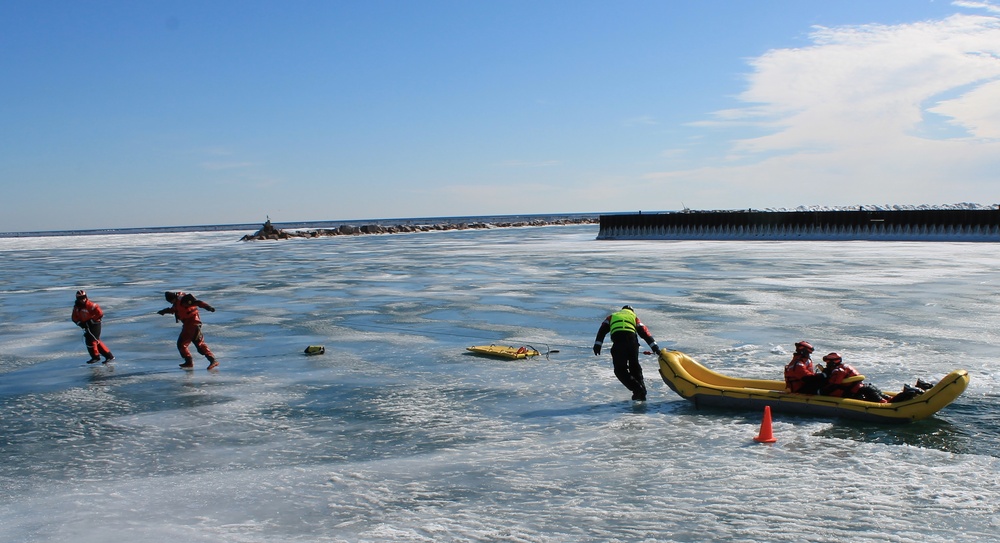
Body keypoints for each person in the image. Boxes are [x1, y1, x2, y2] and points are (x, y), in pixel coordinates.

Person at [593, 305, 661, 401]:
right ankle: (642, 392)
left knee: (620, 370)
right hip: (632, 342)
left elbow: (602, 330)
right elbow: (644, 332)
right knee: (635, 366)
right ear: (632, 311)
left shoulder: (613, 316)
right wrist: (655, 348)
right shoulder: (633, 317)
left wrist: (598, 344)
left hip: (619, 342)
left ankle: (637, 389)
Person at [158, 291, 218, 370]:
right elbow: (174, 309)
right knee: (190, 344)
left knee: (190, 344)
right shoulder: (177, 302)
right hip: (189, 325)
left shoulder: (184, 300)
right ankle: (192, 361)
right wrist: (164, 311)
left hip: (193, 324)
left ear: (173, 298)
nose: (171, 303)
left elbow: (198, 302)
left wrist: (208, 307)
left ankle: (208, 360)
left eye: (171, 301)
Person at [818, 352, 888, 402]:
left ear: (833, 362)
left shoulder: (839, 371)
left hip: (851, 393)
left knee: (879, 397)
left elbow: (834, 385)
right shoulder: (844, 367)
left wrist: (820, 392)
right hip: (858, 390)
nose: (826, 364)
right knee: (873, 392)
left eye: (828, 362)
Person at [71, 290, 114, 364]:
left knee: (92, 340)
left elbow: (100, 313)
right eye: (81, 298)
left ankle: (96, 357)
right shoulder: (76, 308)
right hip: (86, 325)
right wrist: (80, 323)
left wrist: (92, 320)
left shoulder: (91, 305)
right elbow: (74, 317)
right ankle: (108, 356)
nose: (83, 299)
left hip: (95, 324)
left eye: (84, 297)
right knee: (95, 340)